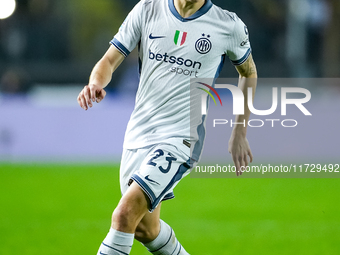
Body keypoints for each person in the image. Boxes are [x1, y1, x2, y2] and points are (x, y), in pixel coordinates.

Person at [77, 0, 257, 254]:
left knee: (125, 215)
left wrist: (240, 131)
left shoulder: (228, 25)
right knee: (146, 229)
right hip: (138, 134)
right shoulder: (147, 9)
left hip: (181, 138)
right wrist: (96, 83)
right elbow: (109, 59)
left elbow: (248, 73)